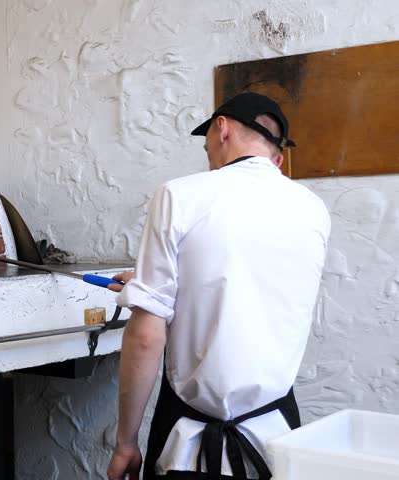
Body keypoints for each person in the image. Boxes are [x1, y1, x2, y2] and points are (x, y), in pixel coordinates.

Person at [105, 92, 331, 480]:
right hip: (278, 440)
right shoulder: (314, 210)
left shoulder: (179, 195)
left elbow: (146, 336)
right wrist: (149, 285)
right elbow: (249, 289)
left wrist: (126, 442)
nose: (207, 149)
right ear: (276, 158)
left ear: (222, 128)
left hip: (186, 443)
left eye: (207, 137)